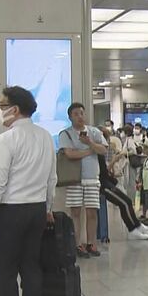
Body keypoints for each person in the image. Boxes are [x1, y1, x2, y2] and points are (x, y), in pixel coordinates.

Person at [0, 86, 56, 296]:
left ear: (14, 109)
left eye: (2, 106)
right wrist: (47, 208)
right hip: (36, 210)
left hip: (10, 211)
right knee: (31, 267)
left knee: (6, 271)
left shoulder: (7, 140)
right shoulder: (45, 136)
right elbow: (51, 178)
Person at [59, 103, 107, 258]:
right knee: (75, 212)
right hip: (74, 179)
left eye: (81, 113)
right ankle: (77, 244)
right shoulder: (66, 134)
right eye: (76, 114)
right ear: (70, 117)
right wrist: (89, 151)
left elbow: (104, 150)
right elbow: (69, 154)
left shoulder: (94, 132)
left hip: (92, 178)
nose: (80, 116)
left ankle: (91, 243)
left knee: (92, 212)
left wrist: (90, 144)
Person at [99, 126, 148, 240]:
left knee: (126, 201)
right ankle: (133, 229)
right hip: (103, 184)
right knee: (123, 202)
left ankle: (136, 225)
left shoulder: (101, 153)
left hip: (108, 181)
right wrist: (114, 161)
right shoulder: (98, 154)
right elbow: (103, 171)